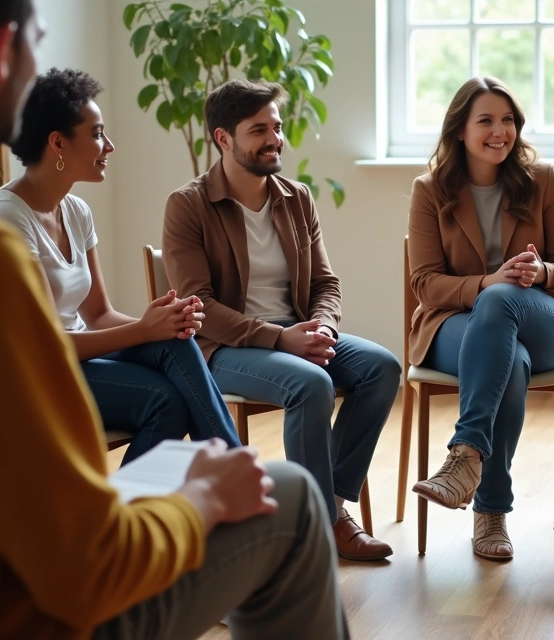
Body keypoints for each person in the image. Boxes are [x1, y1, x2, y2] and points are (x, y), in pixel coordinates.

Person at [0, 1, 347, 639]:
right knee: (292, 497)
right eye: (37, 43)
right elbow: (85, 568)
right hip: (39, 614)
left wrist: (156, 324)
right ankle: (234, 469)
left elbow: (96, 314)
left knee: (173, 351)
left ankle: (226, 460)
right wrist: (203, 501)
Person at [162, 79, 401, 562]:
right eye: (259, 130)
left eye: (276, 126)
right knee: (311, 384)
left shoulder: (296, 198)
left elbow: (326, 284)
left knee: (382, 367)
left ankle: (326, 510)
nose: (275, 139)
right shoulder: (188, 205)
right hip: (224, 348)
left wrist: (322, 328)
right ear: (223, 139)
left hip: (296, 335)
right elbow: (198, 304)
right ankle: (316, 527)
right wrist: (279, 339)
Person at [0, 68, 241, 464]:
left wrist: (161, 323)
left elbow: (98, 314)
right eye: (98, 133)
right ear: (58, 143)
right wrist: (142, 329)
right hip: (34, 375)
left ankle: (231, 473)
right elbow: (48, 345)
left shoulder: (76, 211)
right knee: (167, 402)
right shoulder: (9, 221)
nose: (110, 146)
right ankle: (230, 478)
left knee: (176, 343)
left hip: (76, 358)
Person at [406, 77, 554, 560]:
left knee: (503, 302)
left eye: (507, 120)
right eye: (485, 120)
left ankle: (465, 456)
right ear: (459, 130)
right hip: (455, 324)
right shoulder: (430, 190)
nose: (499, 131)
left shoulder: (541, 177)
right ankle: (491, 511)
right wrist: (485, 283)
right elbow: (424, 282)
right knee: (513, 361)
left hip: (538, 315)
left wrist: (539, 270)